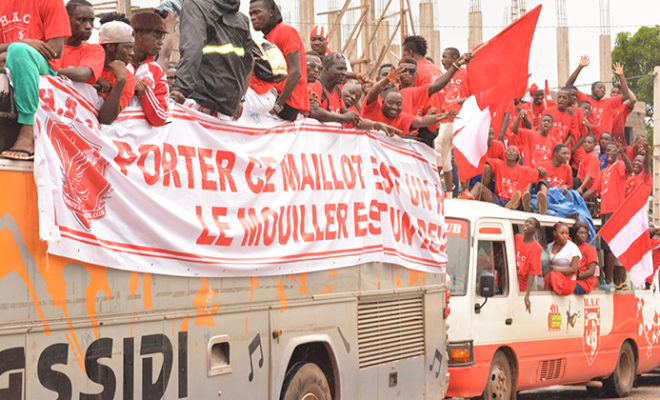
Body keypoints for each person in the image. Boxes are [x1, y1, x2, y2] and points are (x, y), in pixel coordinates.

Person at [0, 0, 71, 160]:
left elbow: (55, 50)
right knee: (17, 49)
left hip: (43, 67)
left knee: (19, 51)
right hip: (7, 62)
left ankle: (28, 128)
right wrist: (16, 45)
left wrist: (14, 51)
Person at [170, 0, 254, 120]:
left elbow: (192, 49)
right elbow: (247, 62)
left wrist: (181, 88)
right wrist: (240, 98)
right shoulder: (243, 20)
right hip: (228, 108)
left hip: (197, 102)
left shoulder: (194, 5)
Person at [250, 0, 308, 121]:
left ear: (271, 13)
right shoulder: (267, 38)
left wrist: (278, 105)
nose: (253, 18)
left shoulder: (285, 31)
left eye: (256, 13)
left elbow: (296, 72)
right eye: (251, 14)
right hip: (274, 98)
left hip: (285, 103)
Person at [360, 68, 452, 137]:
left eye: (399, 104)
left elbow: (421, 121)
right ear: (383, 102)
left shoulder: (402, 118)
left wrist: (442, 116)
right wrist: (386, 80)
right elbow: (372, 93)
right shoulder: (373, 108)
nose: (394, 107)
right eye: (390, 103)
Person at [593, 142, 632, 290]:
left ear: (617, 153)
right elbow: (594, 189)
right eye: (607, 151)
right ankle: (612, 280)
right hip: (604, 213)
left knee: (611, 247)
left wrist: (622, 153)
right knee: (605, 248)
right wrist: (579, 193)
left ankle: (609, 281)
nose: (609, 153)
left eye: (612, 150)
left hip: (615, 212)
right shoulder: (604, 171)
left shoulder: (619, 165)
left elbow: (629, 169)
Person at [566, 57, 631, 138]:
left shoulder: (608, 103)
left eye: (604, 89)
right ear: (592, 89)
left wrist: (621, 76)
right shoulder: (585, 99)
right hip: (587, 141)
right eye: (599, 88)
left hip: (603, 142)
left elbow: (626, 95)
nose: (602, 90)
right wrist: (580, 67)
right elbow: (568, 85)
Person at [127, 12, 170, 127]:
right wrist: (127, 81)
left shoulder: (158, 71)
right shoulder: (114, 63)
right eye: (156, 37)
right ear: (138, 35)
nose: (161, 42)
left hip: (141, 137)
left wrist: (144, 90)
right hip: (109, 135)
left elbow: (161, 117)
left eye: (162, 38)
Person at [469, 146, 536, 210]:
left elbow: (538, 173)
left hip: (513, 199)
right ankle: (465, 202)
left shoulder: (523, 169)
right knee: (479, 186)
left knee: (518, 198)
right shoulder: (498, 163)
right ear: (505, 154)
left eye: (513, 151)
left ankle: (519, 204)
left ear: (517, 156)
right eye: (508, 150)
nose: (510, 152)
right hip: (497, 199)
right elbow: (483, 160)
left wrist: (540, 170)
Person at [95, 21, 137, 124]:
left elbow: (105, 119)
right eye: (128, 47)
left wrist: (120, 81)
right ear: (111, 47)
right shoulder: (86, 59)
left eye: (132, 48)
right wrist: (92, 80)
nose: (132, 53)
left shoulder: (127, 77)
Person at [56, 0, 104, 84]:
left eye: (91, 20)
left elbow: (82, 74)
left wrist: (52, 72)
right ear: (66, 19)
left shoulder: (95, 50)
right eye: (82, 20)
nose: (88, 26)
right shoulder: (50, 47)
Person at [544, 222, 581, 295]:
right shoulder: (549, 246)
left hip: (567, 281)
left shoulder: (572, 247)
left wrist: (556, 270)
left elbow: (574, 269)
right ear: (554, 233)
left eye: (567, 233)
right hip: (552, 279)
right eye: (562, 233)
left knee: (551, 275)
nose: (565, 236)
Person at [515, 217, 542, 312]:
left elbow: (532, 272)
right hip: (510, 280)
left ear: (535, 230)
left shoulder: (536, 247)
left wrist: (527, 295)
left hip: (521, 286)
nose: (526, 224)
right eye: (526, 221)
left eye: (530, 223)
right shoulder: (517, 238)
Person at [571, 222, 598, 295]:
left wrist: (576, 277)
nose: (583, 235)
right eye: (580, 233)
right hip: (570, 280)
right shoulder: (570, 246)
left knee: (566, 286)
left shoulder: (589, 248)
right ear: (575, 233)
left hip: (583, 284)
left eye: (585, 233)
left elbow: (591, 271)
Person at [575, 135, 599, 199]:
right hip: (582, 182)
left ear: (595, 145)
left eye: (589, 142)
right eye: (584, 142)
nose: (586, 144)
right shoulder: (587, 155)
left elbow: (589, 176)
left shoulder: (592, 157)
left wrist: (581, 188)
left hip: (587, 186)